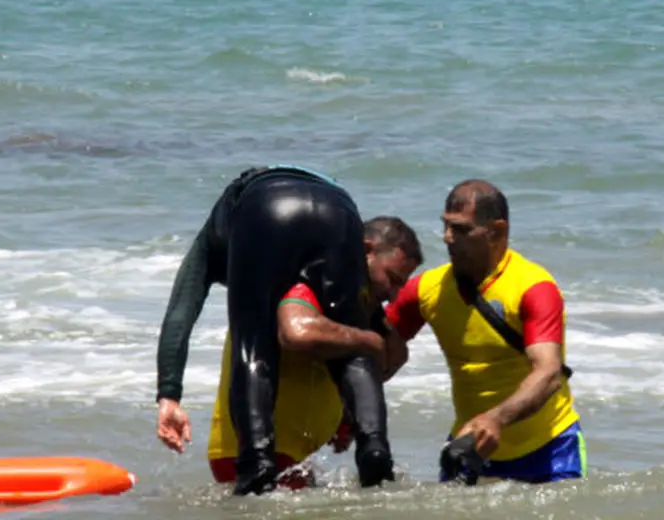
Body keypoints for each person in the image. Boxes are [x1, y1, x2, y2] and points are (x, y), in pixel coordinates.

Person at [154, 165, 404, 495]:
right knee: (353, 346)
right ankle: (375, 453)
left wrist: (169, 394)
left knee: (253, 350)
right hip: (340, 210)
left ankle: (256, 467)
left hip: (265, 206)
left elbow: (182, 308)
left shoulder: (215, 235)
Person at [384, 179, 585, 485]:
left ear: (497, 231)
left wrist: (496, 419)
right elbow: (379, 352)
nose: (448, 238)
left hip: (551, 450)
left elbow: (549, 373)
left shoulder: (533, 288)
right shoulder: (426, 290)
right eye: (446, 227)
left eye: (462, 230)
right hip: (469, 449)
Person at [206, 216, 423, 489]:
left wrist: (343, 412)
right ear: (365, 250)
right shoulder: (309, 280)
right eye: (391, 279)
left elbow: (393, 358)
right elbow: (297, 333)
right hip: (258, 448)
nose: (392, 294)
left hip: (287, 452)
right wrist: (369, 340)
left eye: (400, 285)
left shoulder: (350, 300)